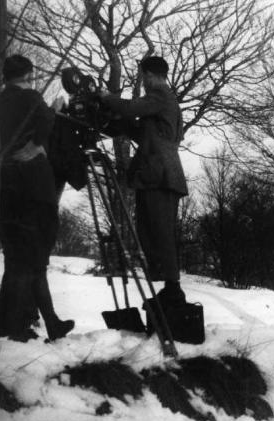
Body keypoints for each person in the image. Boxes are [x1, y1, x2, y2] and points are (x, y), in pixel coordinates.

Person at [0, 54, 75, 342]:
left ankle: (49, 322)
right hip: (34, 185)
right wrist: (52, 112)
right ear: (28, 74)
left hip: (9, 183)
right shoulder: (28, 97)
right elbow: (44, 120)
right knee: (34, 256)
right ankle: (13, 328)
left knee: (24, 258)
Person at [101, 56, 188, 307]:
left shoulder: (160, 94)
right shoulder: (163, 103)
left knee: (160, 232)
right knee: (150, 232)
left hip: (160, 174)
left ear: (149, 74)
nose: (143, 81)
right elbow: (143, 133)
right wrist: (116, 123)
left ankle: (174, 291)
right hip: (157, 173)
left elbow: (131, 109)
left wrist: (105, 97)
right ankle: (170, 288)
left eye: (143, 76)